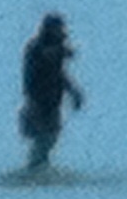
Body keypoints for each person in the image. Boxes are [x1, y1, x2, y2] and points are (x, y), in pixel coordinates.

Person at [18, 13, 85, 170]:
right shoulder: (37, 47)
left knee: (51, 134)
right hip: (38, 99)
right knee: (44, 135)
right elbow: (45, 57)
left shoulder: (53, 49)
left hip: (52, 100)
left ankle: (40, 164)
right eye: (58, 29)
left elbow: (60, 75)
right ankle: (35, 166)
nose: (62, 32)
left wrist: (74, 93)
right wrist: (61, 51)